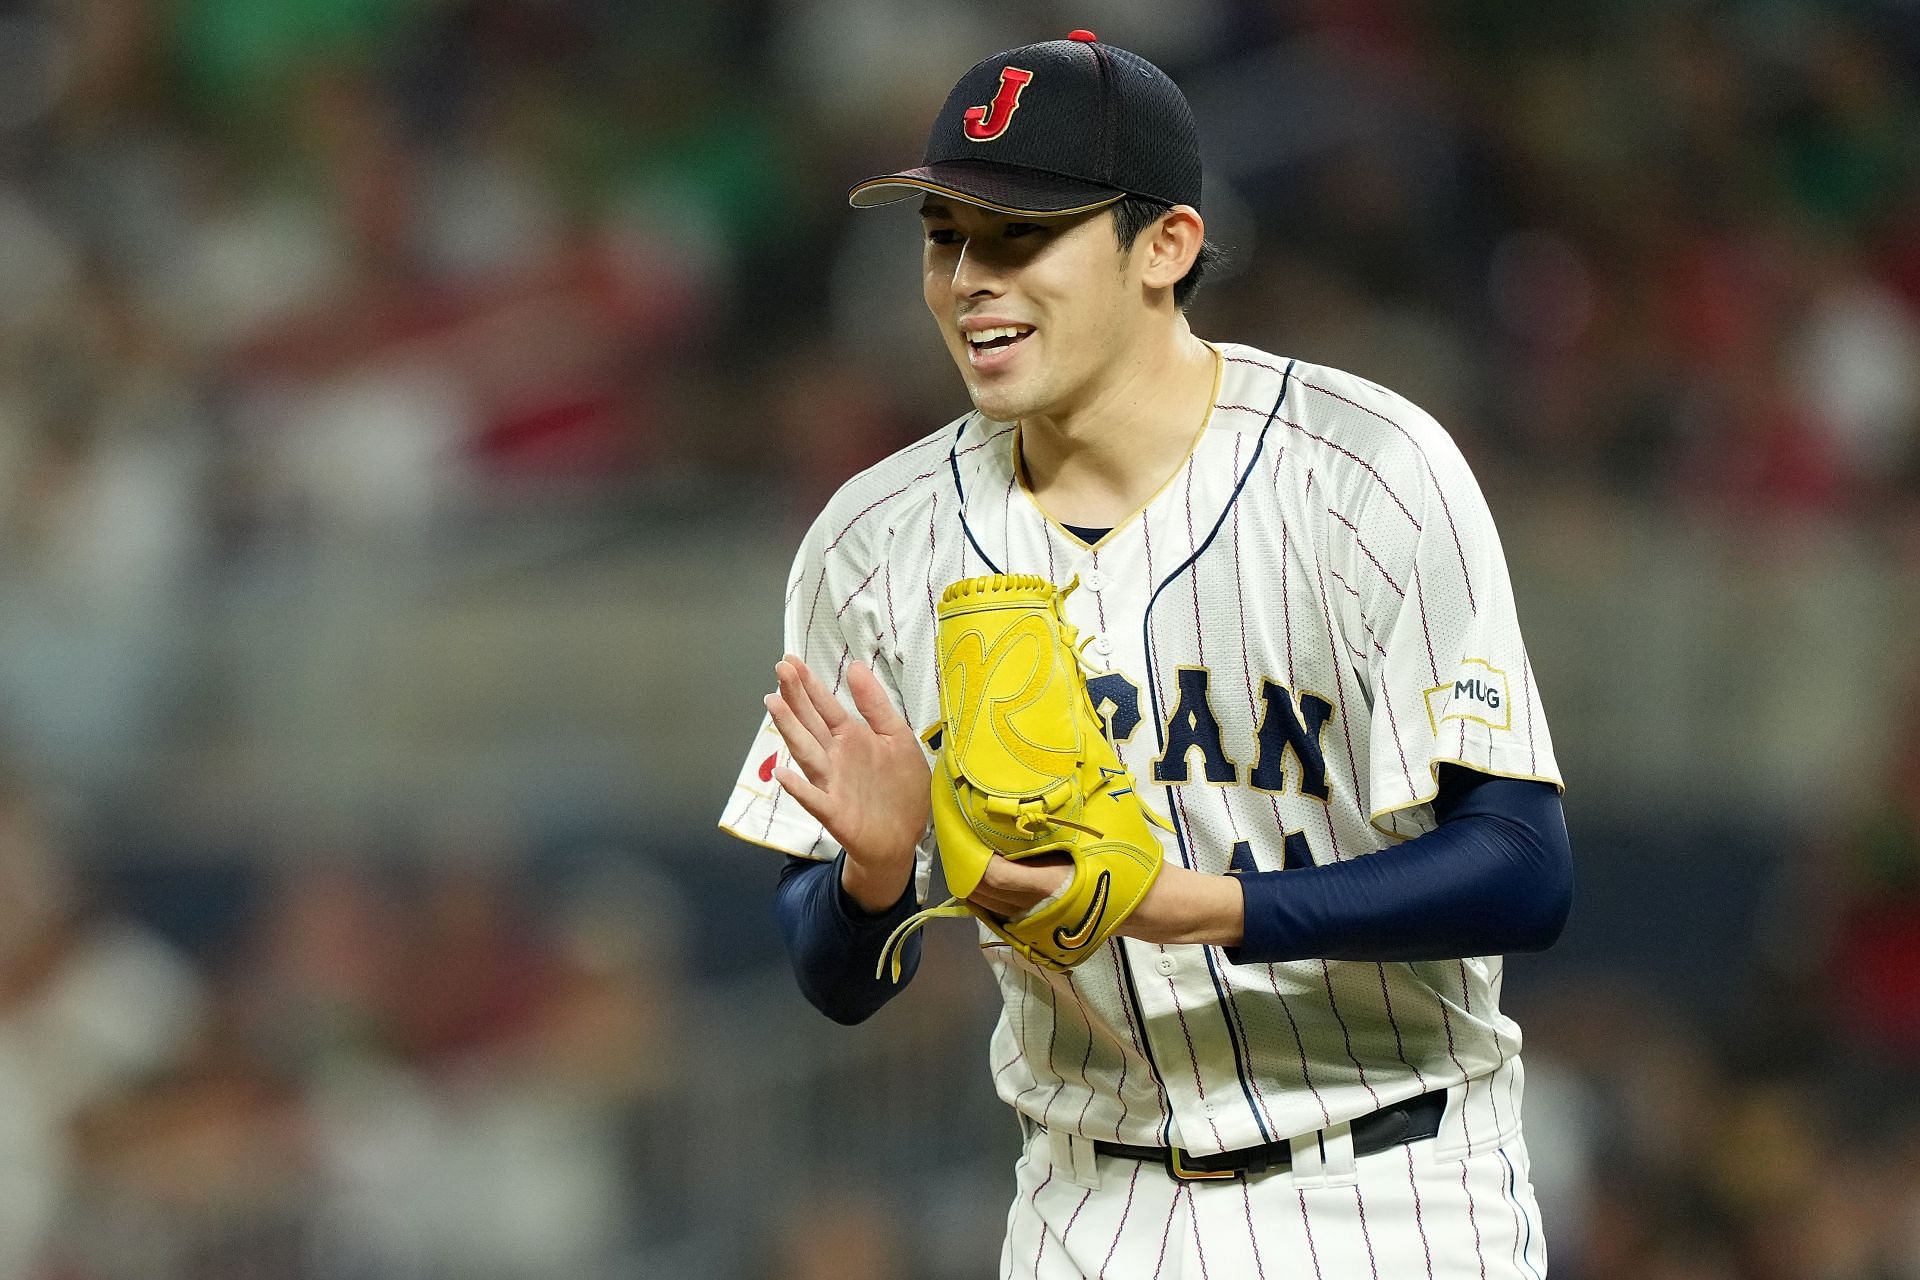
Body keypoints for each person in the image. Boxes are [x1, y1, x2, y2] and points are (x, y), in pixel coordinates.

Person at [718, 30, 1572, 1278]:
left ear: (1165, 245)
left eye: (1022, 236)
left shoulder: (1367, 474)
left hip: (1392, 1182)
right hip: (1086, 1202)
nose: (970, 279)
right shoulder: (873, 540)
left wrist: (1194, 907)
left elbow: (1523, 868)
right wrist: (873, 875)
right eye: (946, 237)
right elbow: (834, 976)